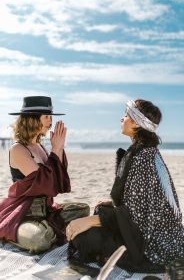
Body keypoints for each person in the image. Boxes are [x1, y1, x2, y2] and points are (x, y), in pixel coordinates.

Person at [66, 99, 184, 273]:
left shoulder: (143, 157)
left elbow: (136, 216)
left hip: (152, 245)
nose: (122, 119)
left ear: (136, 123)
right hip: (159, 234)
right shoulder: (145, 151)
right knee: (95, 216)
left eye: (126, 115)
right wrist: (108, 206)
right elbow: (141, 202)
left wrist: (90, 221)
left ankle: (112, 256)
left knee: (82, 238)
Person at [0, 96, 89, 253]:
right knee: (39, 240)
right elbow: (45, 184)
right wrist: (55, 150)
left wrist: (60, 148)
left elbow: (59, 178)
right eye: (46, 117)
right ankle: (21, 233)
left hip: (46, 210)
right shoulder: (18, 149)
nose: (50, 121)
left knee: (83, 209)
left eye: (51, 116)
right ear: (32, 119)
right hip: (23, 213)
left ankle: (50, 229)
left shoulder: (40, 146)